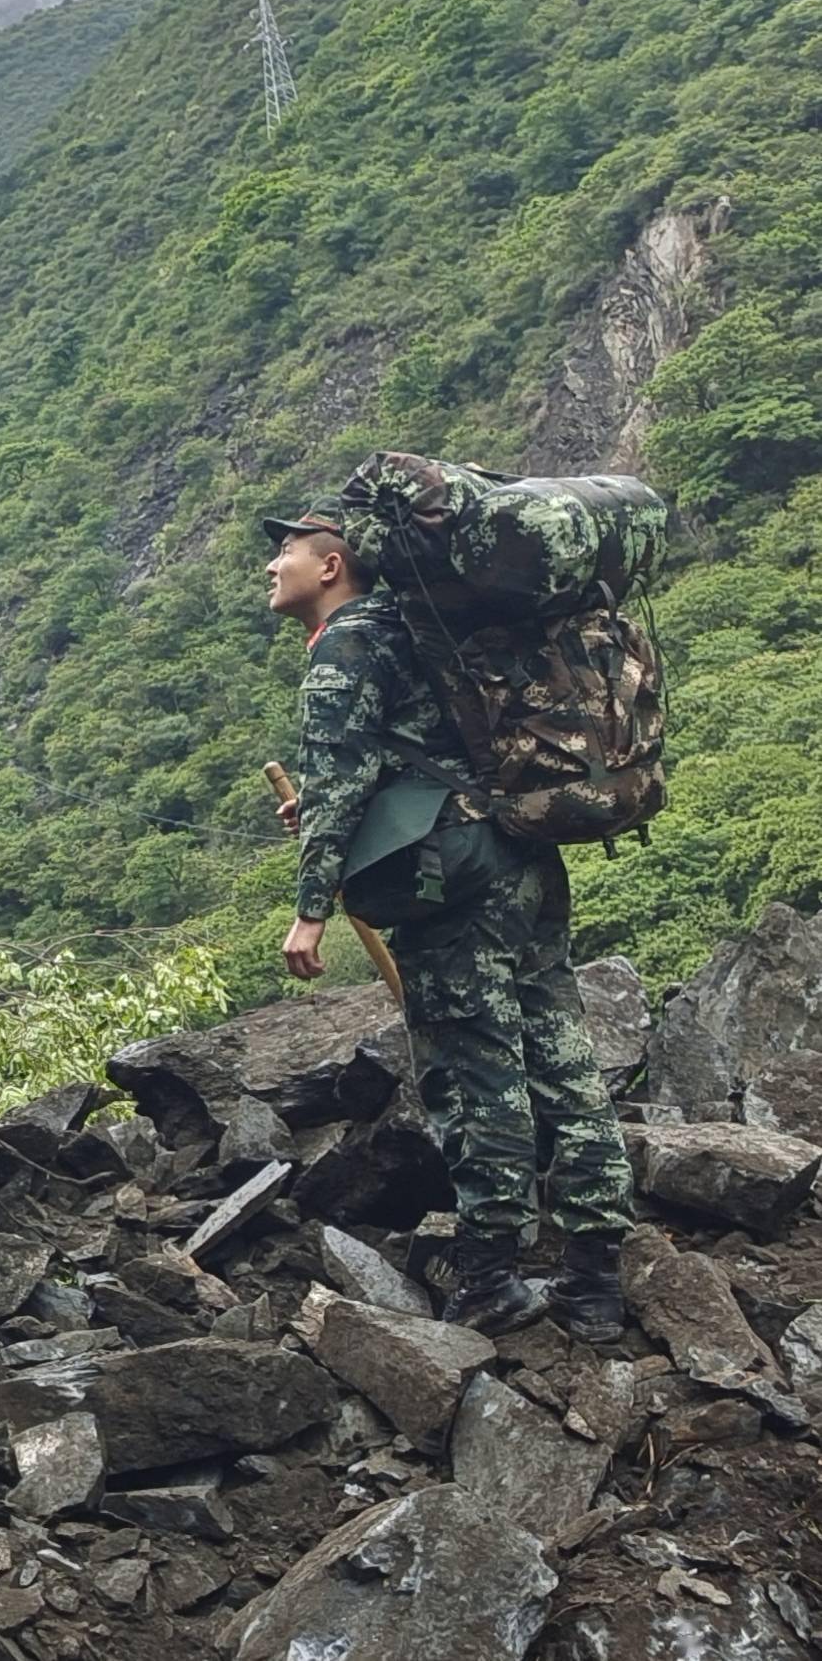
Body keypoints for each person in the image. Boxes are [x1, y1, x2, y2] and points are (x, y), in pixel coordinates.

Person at [267, 501, 632, 1342]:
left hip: (452, 879)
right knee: (560, 1052)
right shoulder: (421, 626)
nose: (272, 564)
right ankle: (594, 1278)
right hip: (522, 853)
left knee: (476, 1069)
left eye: (286, 550)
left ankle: (491, 1277)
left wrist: (311, 911)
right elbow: (404, 760)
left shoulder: (348, 646)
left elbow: (336, 786)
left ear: (332, 567)